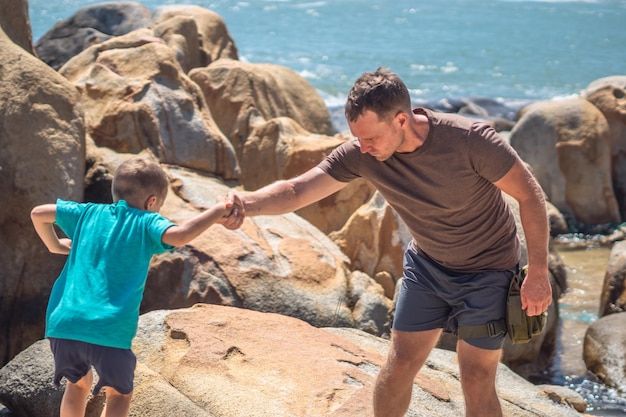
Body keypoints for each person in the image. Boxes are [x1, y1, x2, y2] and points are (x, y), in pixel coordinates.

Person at [225, 67, 553, 416]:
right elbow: (297, 190)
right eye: (358, 138)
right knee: (399, 364)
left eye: (370, 138)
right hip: (428, 267)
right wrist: (246, 204)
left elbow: (530, 196)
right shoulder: (363, 155)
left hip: (489, 270)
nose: (363, 148)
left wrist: (539, 271)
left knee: (475, 375)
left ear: (401, 120)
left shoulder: (471, 140)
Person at [30, 155, 240, 417]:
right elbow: (180, 235)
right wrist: (217, 211)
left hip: (64, 323)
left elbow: (38, 214)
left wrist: (54, 245)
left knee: (77, 385)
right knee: (118, 393)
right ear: (152, 202)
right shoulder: (145, 222)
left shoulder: (87, 212)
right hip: (108, 328)